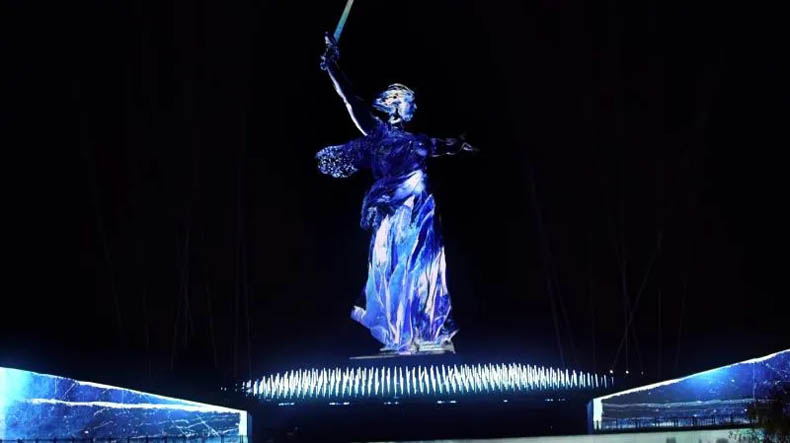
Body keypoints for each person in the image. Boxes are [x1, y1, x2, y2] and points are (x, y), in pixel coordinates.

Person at [317, 33, 475, 354]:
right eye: (410, 101)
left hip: (423, 213)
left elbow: (446, 145)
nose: (415, 106)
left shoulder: (420, 140)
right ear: (395, 104)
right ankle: (398, 334)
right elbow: (352, 100)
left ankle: (429, 331)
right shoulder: (378, 133)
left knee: (426, 271)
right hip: (394, 212)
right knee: (396, 271)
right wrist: (333, 66)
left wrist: (461, 144)